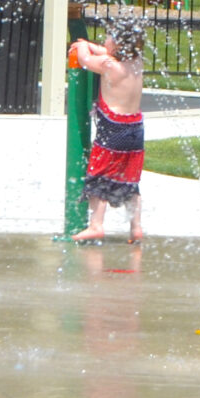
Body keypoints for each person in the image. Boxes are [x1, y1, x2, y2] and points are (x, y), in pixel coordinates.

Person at [71, 23, 147, 245]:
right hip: (135, 130)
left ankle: (96, 225)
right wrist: (92, 45)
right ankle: (136, 227)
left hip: (113, 128)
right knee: (129, 180)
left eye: (108, 38)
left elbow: (85, 61)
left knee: (100, 174)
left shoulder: (108, 65)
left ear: (117, 44)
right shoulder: (136, 63)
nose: (105, 41)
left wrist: (81, 47)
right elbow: (106, 53)